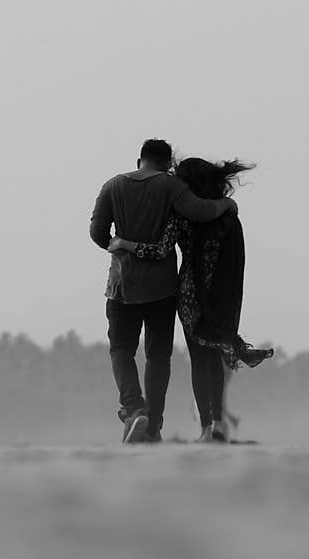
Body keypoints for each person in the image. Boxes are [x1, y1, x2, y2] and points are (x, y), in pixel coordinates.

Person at [107, 157, 273, 442]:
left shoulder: (182, 216)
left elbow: (159, 251)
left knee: (199, 359)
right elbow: (237, 262)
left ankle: (206, 429)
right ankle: (219, 424)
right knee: (215, 356)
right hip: (220, 297)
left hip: (189, 296)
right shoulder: (227, 216)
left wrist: (125, 244)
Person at [90, 139, 238, 444]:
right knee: (159, 356)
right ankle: (154, 425)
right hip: (162, 289)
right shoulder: (171, 187)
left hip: (121, 286)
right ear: (168, 164)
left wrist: (118, 246)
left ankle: (133, 410)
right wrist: (226, 203)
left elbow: (97, 233)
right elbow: (199, 211)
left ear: (139, 160)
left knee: (121, 349)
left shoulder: (112, 186)